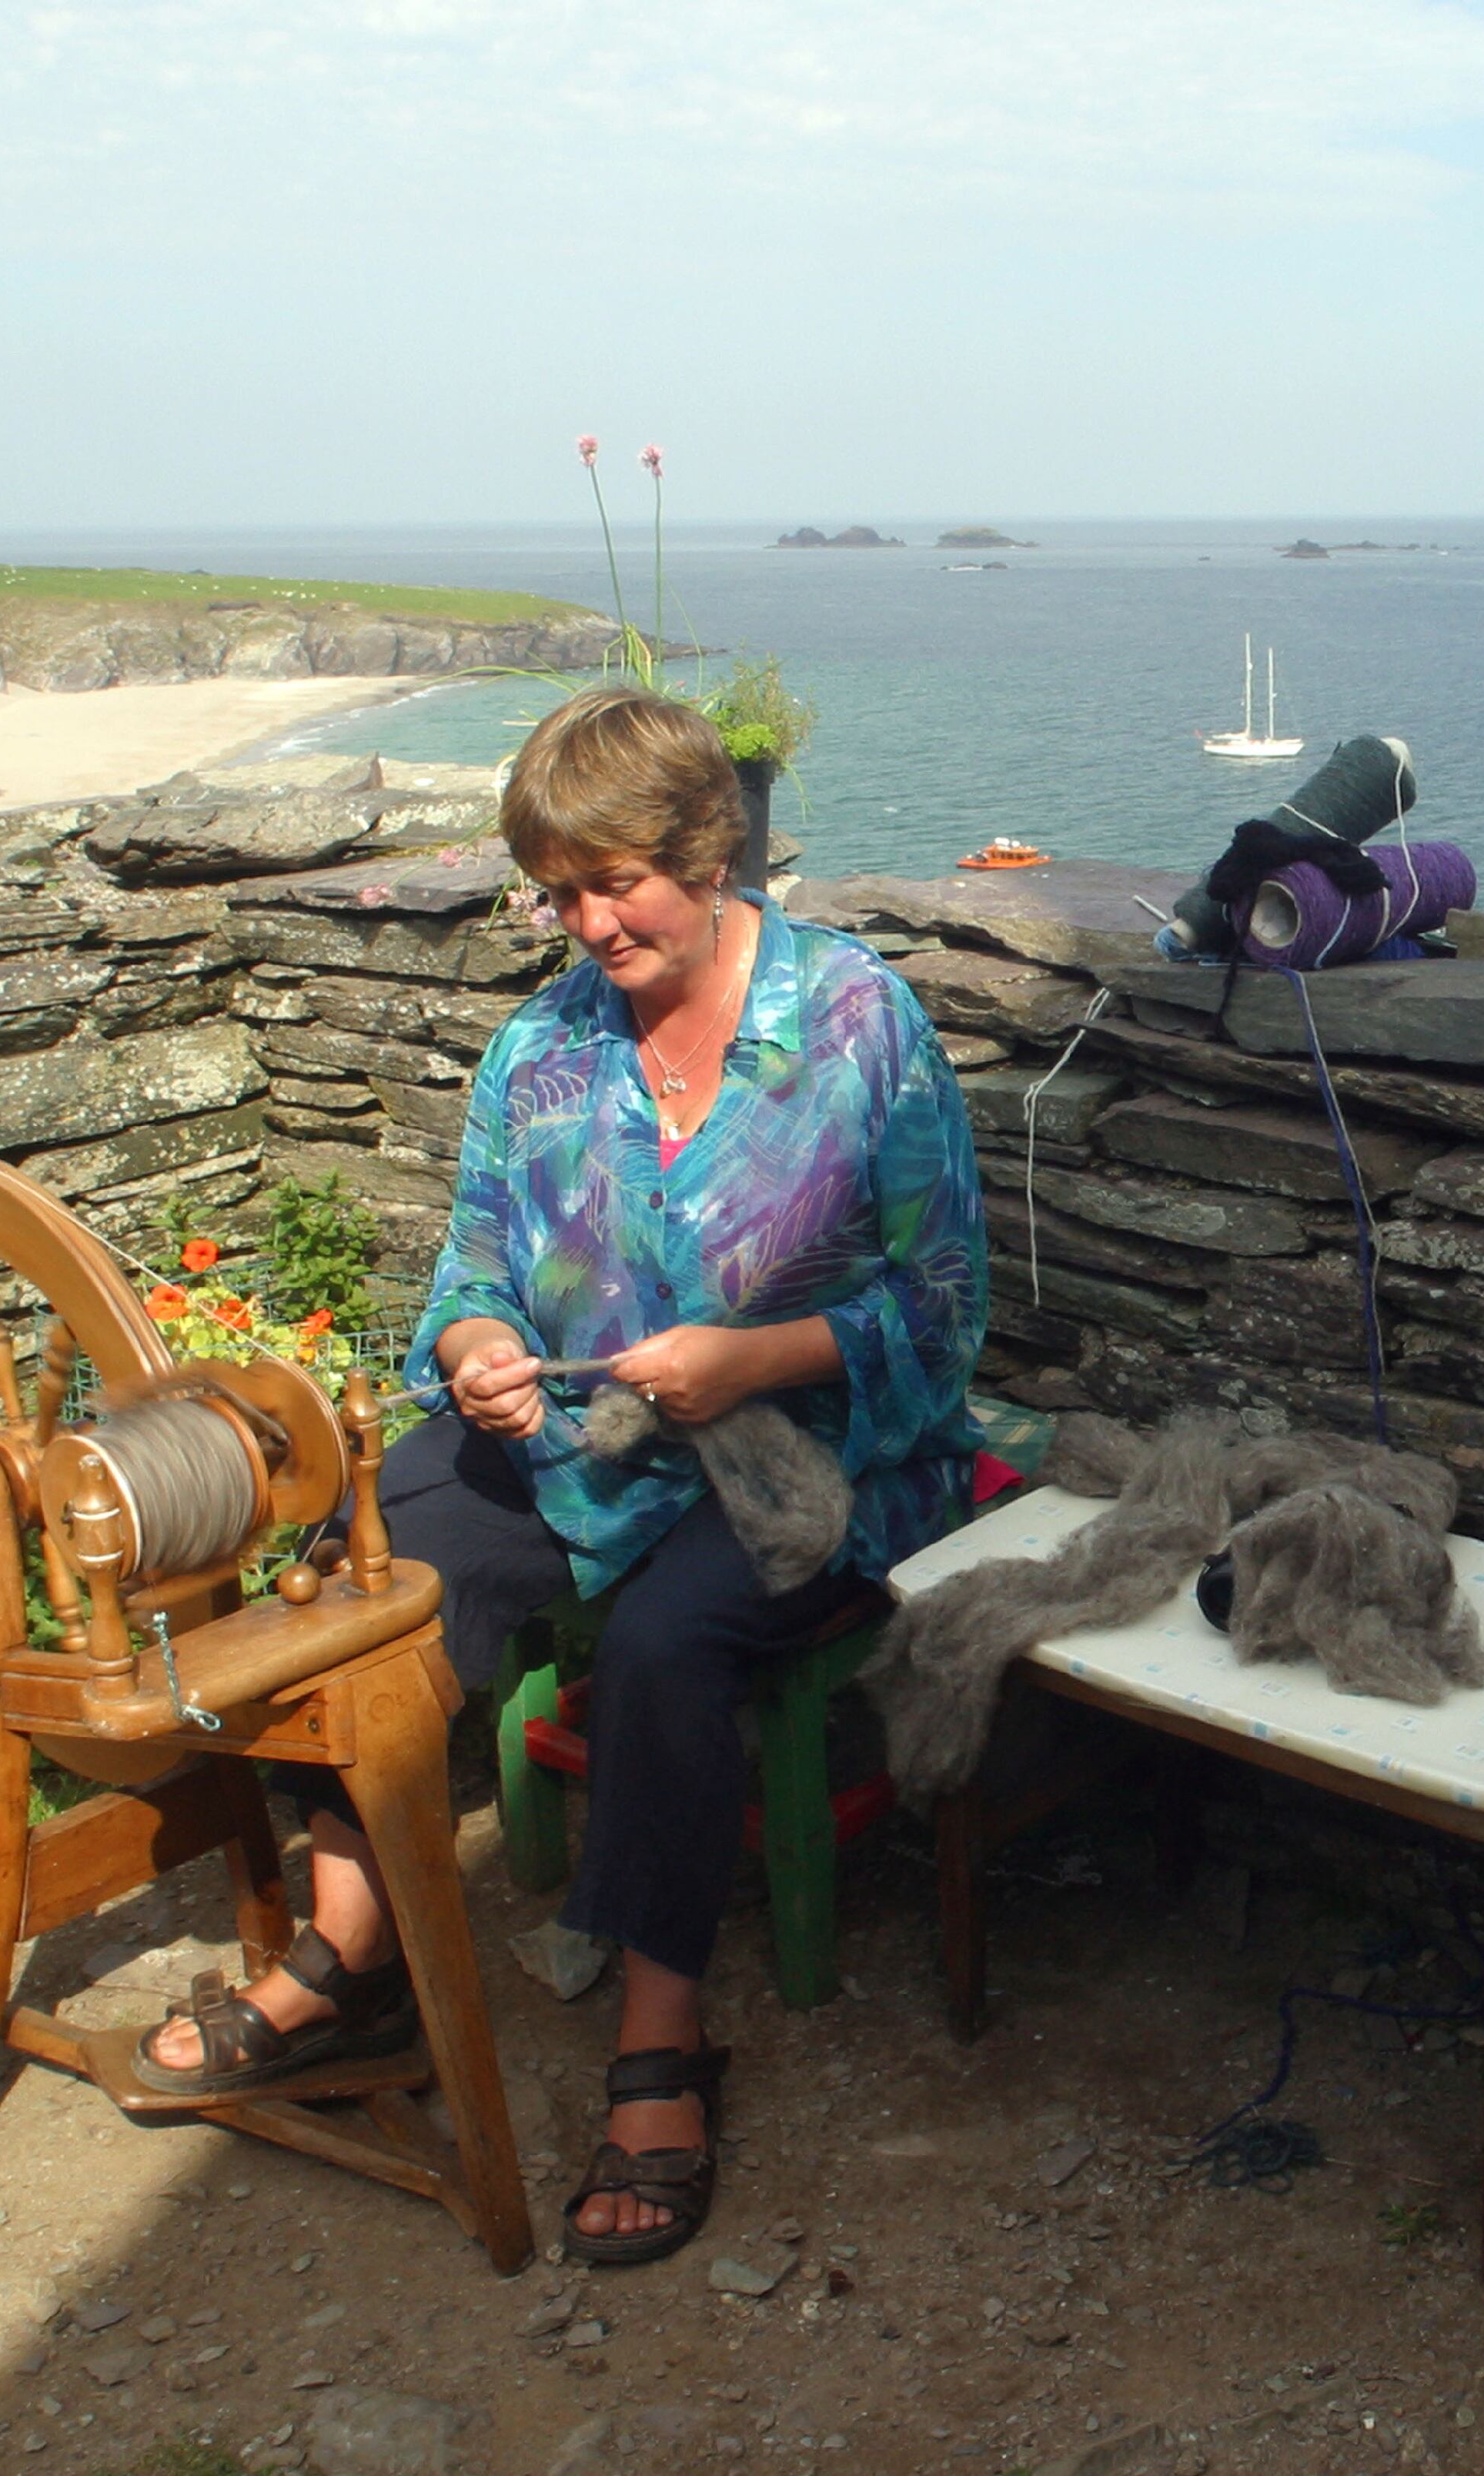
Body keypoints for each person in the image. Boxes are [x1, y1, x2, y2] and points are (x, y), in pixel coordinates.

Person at [131, 686, 988, 2265]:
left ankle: (663, 2032)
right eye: (559, 889)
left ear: (710, 849)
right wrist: (470, 1346)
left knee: (669, 1643)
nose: (588, 923)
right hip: (588, 1450)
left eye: (617, 885)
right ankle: (348, 1951)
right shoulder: (541, 1047)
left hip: (827, 1456)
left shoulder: (857, 1024)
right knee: (362, 1553)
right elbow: (473, 1264)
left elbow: (945, 1314)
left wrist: (753, 1359)